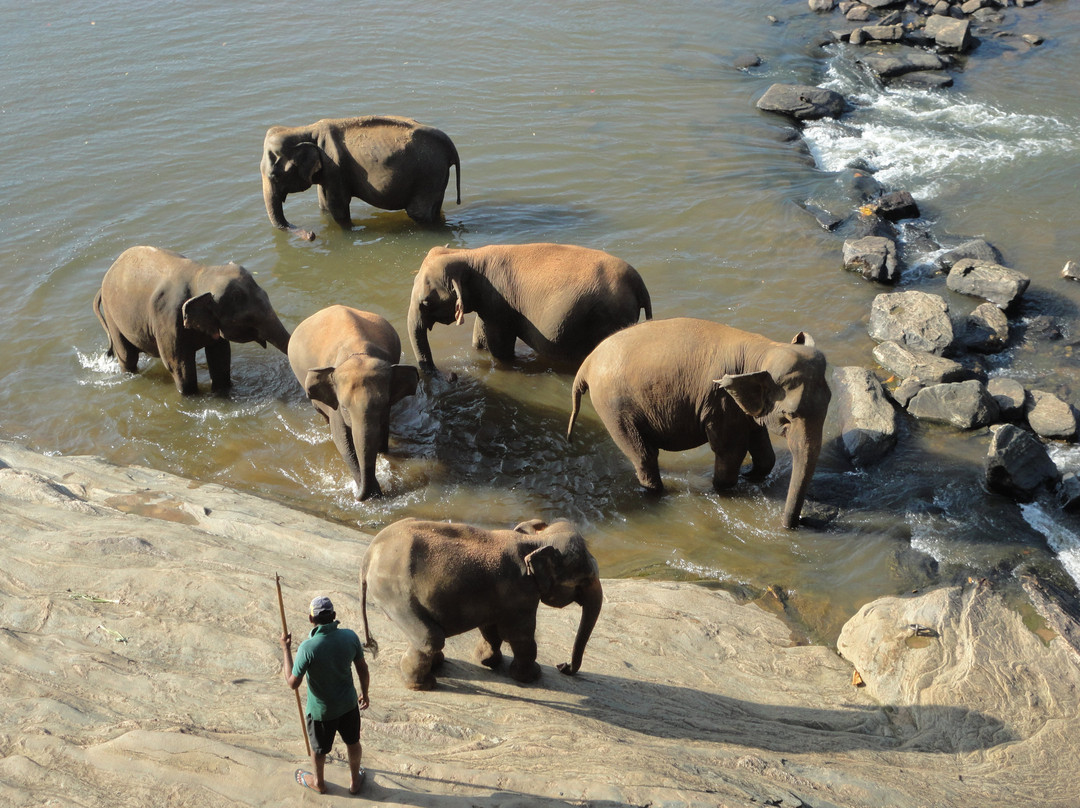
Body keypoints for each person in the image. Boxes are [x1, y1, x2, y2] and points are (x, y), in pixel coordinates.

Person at [280, 595, 370, 794]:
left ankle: (319, 783)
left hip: (321, 712)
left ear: (311, 619)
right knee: (353, 742)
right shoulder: (350, 637)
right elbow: (362, 669)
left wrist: (286, 649)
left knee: (318, 750)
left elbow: (293, 683)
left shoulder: (307, 648)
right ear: (334, 616)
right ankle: (355, 782)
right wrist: (365, 693)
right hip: (348, 704)